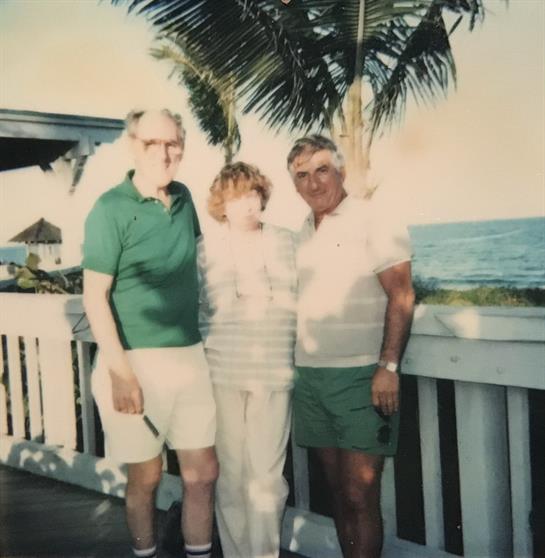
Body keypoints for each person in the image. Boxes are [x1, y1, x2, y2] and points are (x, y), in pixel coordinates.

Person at [82, 109, 218, 558]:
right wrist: (122, 374)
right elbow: (95, 297)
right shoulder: (110, 209)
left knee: (202, 473)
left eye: (173, 142)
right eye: (151, 143)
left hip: (190, 357)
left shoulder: (184, 199)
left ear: (182, 145)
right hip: (134, 362)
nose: (164, 152)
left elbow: (199, 269)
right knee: (147, 477)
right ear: (132, 145)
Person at [287, 135, 415, 558]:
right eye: (301, 175)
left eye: (321, 169)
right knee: (339, 494)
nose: (313, 183)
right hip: (311, 380)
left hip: (363, 378)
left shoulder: (372, 218)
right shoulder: (301, 234)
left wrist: (389, 367)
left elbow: (401, 295)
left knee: (361, 496)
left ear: (340, 170)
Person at [198, 162, 297, 558]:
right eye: (237, 196)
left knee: (268, 478)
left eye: (254, 194)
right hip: (221, 372)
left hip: (274, 374)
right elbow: (194, 309)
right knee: (232, 476)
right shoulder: (204, 250)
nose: (248, 204)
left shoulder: (288, 241)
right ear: (222, 204)